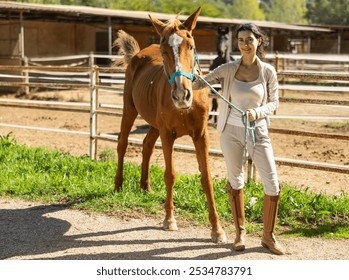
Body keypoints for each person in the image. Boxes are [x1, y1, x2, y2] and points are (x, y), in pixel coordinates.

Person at [193, 23, 285, 255]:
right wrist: (191, 72)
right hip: (230, 132)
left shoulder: (267, 72)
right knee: (236, 180)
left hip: (259, 131)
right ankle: (240, 232)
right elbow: (198, 83)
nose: (245, 44)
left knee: (272, 184)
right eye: (241, 40)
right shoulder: (228, 68)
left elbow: (274, 103)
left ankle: (268, 236)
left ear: (259, 41)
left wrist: (258, 112)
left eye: (249, 40)